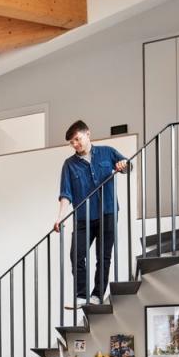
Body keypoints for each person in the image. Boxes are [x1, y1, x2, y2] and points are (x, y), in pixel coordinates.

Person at [54, 120, 130, 306]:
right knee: (77, 255)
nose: (75, 145)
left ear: (87, 134)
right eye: (71, 142)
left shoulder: (107, 152)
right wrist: (60, 216)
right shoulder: (69, 164)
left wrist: (123, 166)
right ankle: (81, 295)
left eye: (77, 139)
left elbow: (128, 165)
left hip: (108, 212)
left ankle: (97, 295)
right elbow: (66, 193)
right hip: (83, 217)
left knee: (103, 257)